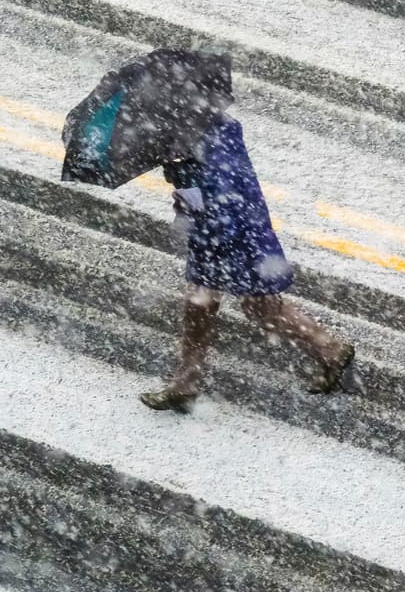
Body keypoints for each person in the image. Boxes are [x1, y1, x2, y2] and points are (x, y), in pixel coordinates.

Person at [139, 111, 354, 412]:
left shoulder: (194, 139)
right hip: (240, 225)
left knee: (211, 303)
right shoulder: (212, 124)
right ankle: (329, 349)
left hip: (223, 232)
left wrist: (182, 185)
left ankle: (187, 383)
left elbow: (207, 196)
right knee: (240, 305)